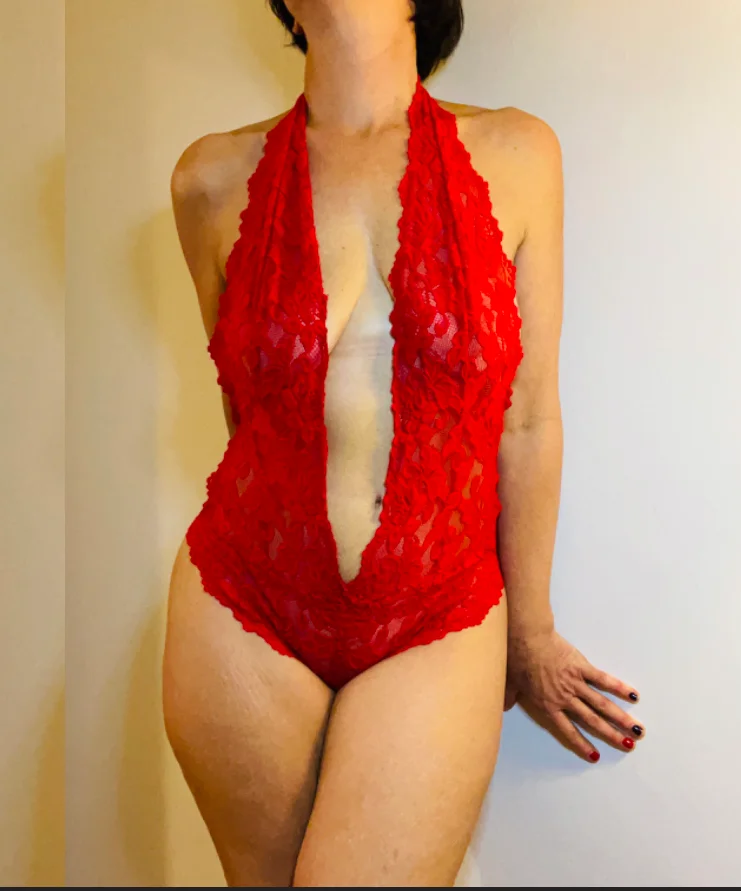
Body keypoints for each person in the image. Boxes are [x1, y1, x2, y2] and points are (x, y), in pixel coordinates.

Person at [162, 1, 644, 885]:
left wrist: (530, 631)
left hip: (437, 612)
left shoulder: (517, 153)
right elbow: (247, 406)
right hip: (243, 604)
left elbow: (529, 417)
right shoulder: (207, 179)